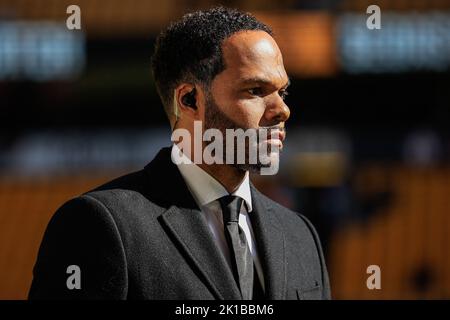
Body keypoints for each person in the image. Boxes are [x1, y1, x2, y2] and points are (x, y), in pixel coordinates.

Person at [29, 7, 331, 300]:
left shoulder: (301, 235)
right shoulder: (97, 225)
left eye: (282, 92)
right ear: (189, 99)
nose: (282, 110)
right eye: (255, 90)